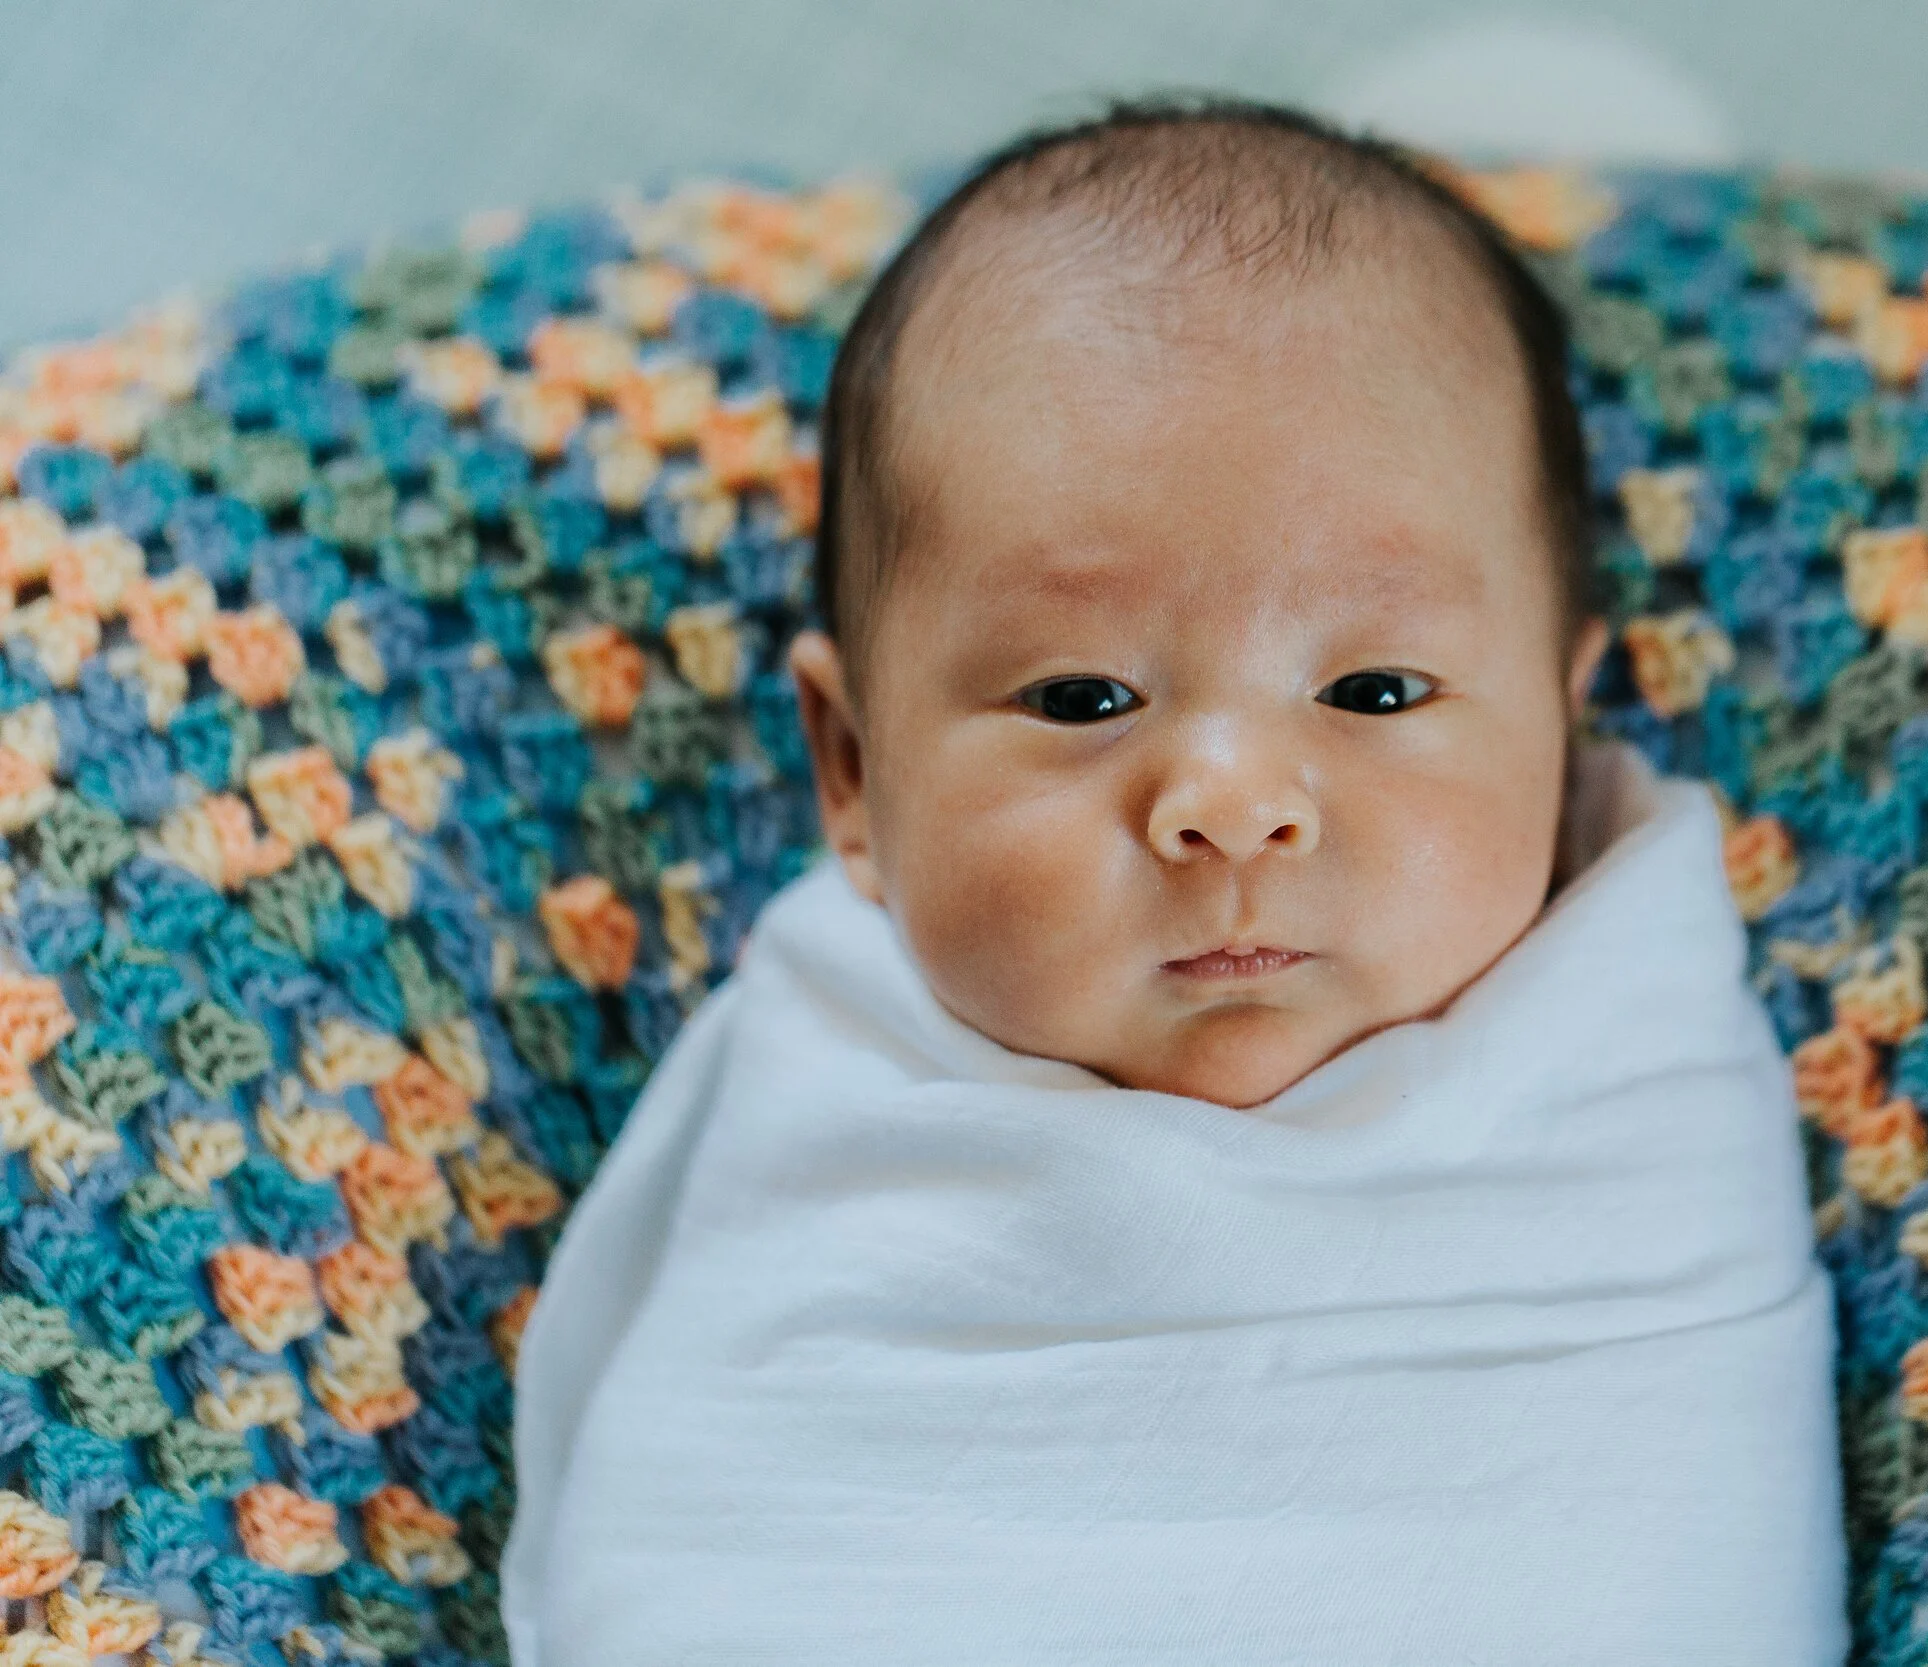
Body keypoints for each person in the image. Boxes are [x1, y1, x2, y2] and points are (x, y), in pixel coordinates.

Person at [504, 98, 1844, 1664]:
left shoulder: (1630, 1029)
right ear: (852, 768)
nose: (1232, 808)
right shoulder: (836, 1048)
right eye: (1083, 698)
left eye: (1377, 692)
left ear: (1562, 716)